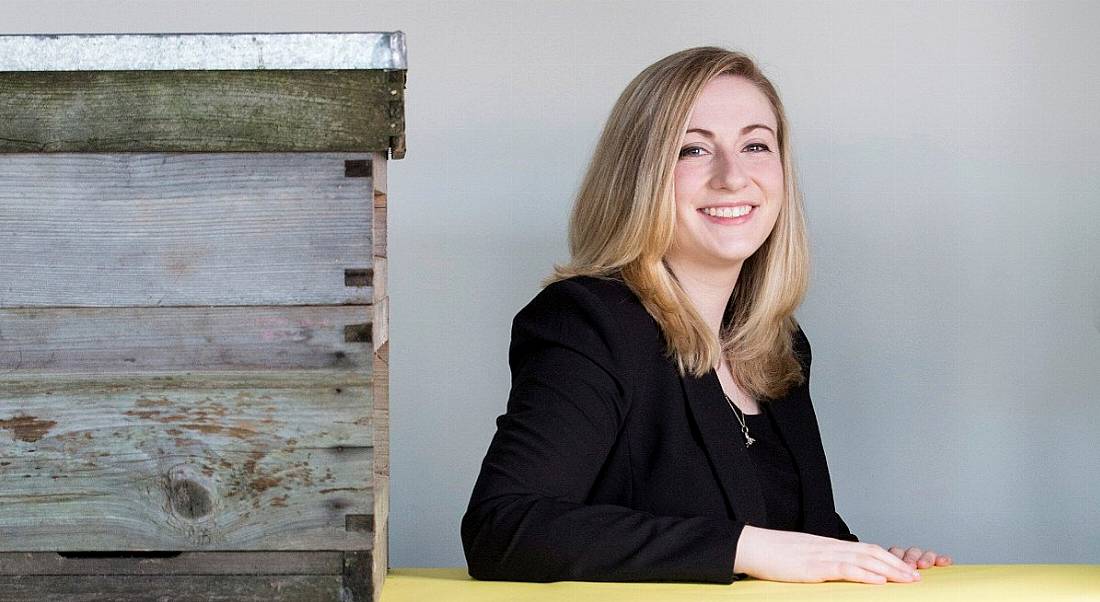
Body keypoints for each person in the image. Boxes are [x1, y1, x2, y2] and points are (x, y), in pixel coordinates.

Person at [461, 46, 952, 585]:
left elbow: (788, 534)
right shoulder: (589, 321)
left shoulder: (776, 343)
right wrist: (745, 547)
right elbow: (503, 528)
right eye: (694, 150)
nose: (732, 177)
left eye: (756, 145)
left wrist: (860, 560)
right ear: (639, 176)